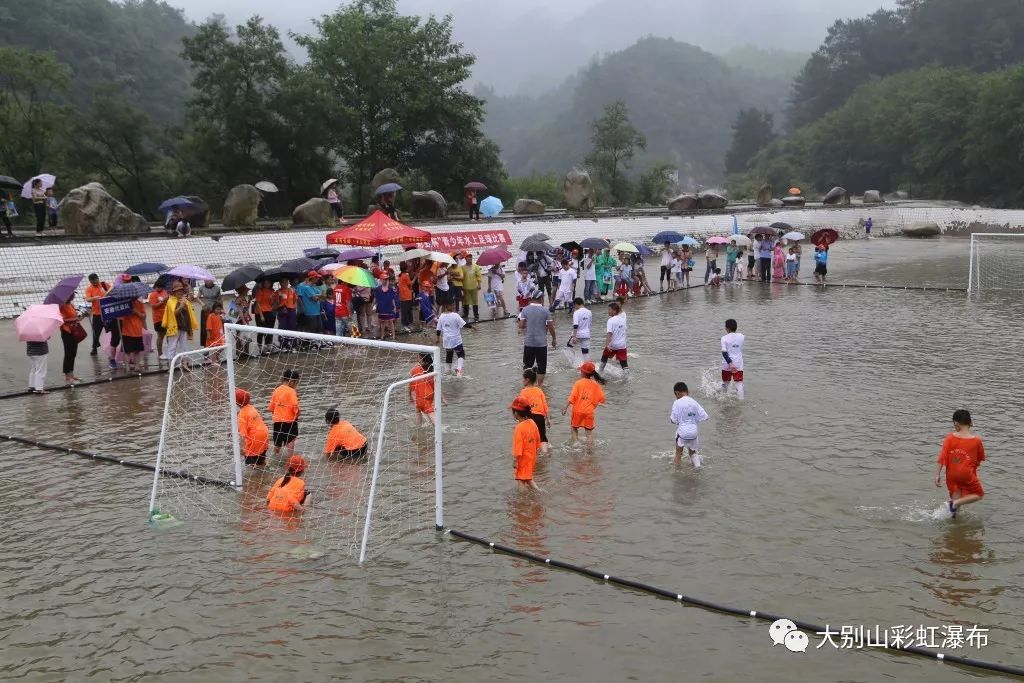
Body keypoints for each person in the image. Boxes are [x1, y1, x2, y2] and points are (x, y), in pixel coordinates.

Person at [934, 409, 986, 519]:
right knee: (979, 494)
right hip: (966, 474)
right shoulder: (976, 441)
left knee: (956, 499)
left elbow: (942, 456)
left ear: (956, 423)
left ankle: (953, 518)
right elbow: (979, 458)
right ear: (971, 423)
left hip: (951, 474)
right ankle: (953, 506)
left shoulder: (949, 438)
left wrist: (937, 474)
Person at [562, 361, 607, 446]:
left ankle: (576, 446)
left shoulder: (578, 383)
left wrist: (565, 407)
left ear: (583, 372)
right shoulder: (595, 384)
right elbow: (601, 399)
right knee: (589, 433)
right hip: (589, 412)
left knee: (574, 428)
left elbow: (572, 397)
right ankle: (590, 450)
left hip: (577, 411)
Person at [519, 288, 556, 387]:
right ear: (540, 298)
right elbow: (551, 326)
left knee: (527, 365)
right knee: (541, 366)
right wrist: (554, 339)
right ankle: (539, 386)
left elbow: (521, 325)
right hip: (541, 343)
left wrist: (530, 324)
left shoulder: (525, 309)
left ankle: (527, 385)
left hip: (529, 342)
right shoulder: (545, 311)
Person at [670, 381, 710, 468]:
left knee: (678, 454)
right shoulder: (694, 402)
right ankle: (698, 469)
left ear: (677, 393)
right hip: (694, 433)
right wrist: (693, 419)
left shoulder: (677, 403)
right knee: (693, 453)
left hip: (683, 433)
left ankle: (676, 474)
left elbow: (673, 420)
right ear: (688, 392)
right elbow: (705, 417)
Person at [509, 397, 541, 491]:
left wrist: (515, 461)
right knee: (527, 477)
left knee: (520, 479)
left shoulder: (519, 428)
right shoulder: (532, 422)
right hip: (532, 456)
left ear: (515, 413)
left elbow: (518, 447)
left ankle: (523, 501)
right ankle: (538, 492)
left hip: (523, 458)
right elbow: (538, 440)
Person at [161, 281, 198, 360]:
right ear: (174, 292)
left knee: (184, 346)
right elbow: (173, 314)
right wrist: (181, 306)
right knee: (172, 346)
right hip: (174, 327)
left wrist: (186, 304)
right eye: (177, 291)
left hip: (184, 327)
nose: (179, 292)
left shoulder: (185, 301)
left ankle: (185, 363)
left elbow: (190, 313)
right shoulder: (170, 302)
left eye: (181, 290)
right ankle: (171, 366)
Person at [518, 368, 551, 455]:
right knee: (543, 438)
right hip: (540, 417)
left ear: (527, 380)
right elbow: (545, 406)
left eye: (523, 379)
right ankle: (544, 454)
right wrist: (548, 419)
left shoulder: (523, 392)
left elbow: (522, 407)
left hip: (529, 418)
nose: (522, 380)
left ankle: (533, 454)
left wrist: (520, 420)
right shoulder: (539, 390)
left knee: (531, 438)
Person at [270, 369, 301, 457]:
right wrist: (298, 413)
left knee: (277, 443)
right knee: (290, 441)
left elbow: (271, 408)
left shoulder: (276, 390)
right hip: (290, 421)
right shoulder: (291, 391)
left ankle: (275, 455)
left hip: (277, 422)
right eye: (296, 383)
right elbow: (295, 405)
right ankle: (291, 458)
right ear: (291, 382)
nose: (296, 386)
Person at [236, 388, 269, 465]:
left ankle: (254, 476)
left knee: (250, 466)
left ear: (237, 403)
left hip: (255, 438)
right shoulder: (252, 407)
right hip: (264, 434)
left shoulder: (241, 414)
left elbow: (242, 435)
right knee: (261, 460)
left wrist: (242, 449)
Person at [436, 302, 468, 376]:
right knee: (461, 354)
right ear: (449, 306)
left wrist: (437, 339)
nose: (454, 306)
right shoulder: (455, 315)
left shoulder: (441, 316)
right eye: (452, 305)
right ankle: (459, 369)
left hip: (447, 340)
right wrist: (472, 327)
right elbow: (464, 324)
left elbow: (438, 329)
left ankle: (447, 372)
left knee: (449, 355)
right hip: (456, 340)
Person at [409, 353, 442, 426]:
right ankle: (420, 427)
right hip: (429, 396)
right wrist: (442, 399)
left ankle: (440, 431)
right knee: (419, 411)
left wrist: (410, 397)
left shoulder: (415, 370)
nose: (417, 360)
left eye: (419, 359)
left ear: (424, 362)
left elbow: (411, 385)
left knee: (433, 418)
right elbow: (435, 387)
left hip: (422, 397)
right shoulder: (431, 371)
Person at [599, 301, 629, 377]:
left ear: (615, 311)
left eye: (609, 310)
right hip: (622, 345)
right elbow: (624, 332)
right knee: (624, 363)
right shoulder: (623, 320)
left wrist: (607, 345)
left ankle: (600, 372)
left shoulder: (610, 320)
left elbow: (609, 334)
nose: (608, 312)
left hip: (613, 345)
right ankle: (627, 378)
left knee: (604, 357)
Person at [59, 294, 83, 385]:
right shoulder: (61, 306)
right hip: (66, 332)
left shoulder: (71, 304)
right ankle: (67, 376)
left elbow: (74, 317)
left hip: (74, 330)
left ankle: (71, 374)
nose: (73, 296)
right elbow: (62, 320)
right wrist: (74, 319)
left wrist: (79, 317)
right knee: (68, 353)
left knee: (73, 353)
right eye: (72, 295)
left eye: (73, 295)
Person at [84, 273, 110, 356]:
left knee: (109, 331)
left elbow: (112, 292)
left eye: (95, 281)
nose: (94, 283)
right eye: (92, 282)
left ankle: (111, 347)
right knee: (96, 333)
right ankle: (94, 348)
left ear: (98, 279)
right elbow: (88, 299)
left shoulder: (104, 285)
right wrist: (95, 298)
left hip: (107, 312)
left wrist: (106, 295)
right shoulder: (89, 288)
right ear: (90, 281)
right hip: (96, 314)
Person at [120, 293, 147, 371]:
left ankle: (137, 366)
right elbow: (120, 318)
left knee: (137, 351)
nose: (135, 297)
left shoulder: (140, 304)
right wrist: (127, 312)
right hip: (126, 331)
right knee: (127, 351)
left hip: (137, 331)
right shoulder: (124, 305)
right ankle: (127, 366)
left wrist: (136, 312)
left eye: (136, 295)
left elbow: (144, 316)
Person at [721, 318, 745, 399]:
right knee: (739, 384)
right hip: (738, 364)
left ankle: (722, 399)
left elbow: (724, 353)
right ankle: (741, 401)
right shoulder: (742, 336)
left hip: (727, 364)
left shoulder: (724, 338)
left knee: (725, 383)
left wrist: (730, 363)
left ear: (727, 328)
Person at [374, 274, 399, 340]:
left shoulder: (391, 289)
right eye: (384, 279)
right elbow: (376, 298)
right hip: (381, 308)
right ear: (381, 280)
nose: (385, 281)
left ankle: (393, 336)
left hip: (389, 307)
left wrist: (395, 307)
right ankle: (382, 336)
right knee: (382, 323)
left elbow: (393, 298)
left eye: (386, 279)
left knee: (391, 322)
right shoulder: (377, 289)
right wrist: (373, 305)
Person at [568, 297, 592, 363]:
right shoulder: (589, 312)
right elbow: (590, 324)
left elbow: (575, 325)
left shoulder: (576, 312)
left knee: (569, 346)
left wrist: (574, 336)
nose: (574, 307)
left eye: (574, 305)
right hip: (586, 334)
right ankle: (588, 365)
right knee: (585, 352)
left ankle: (573, 362)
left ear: (576, 304)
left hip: (578, 334)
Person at [149, 281, 169, 359]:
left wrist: (167, 299)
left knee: (169, 335)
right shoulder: (153, 294)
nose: (159, 289)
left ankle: (170, 351)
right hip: (158, 318)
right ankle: (160, 354)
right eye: (158, 287)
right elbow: (154, 306)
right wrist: (163, 301)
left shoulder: (165, 292)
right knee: (160, 336)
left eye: (161, 287)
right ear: (155, 287)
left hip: (167, 316)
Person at [198, 279, 221, 346]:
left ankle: (214, 343)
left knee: (214, 328)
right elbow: (197, 298)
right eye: (205, 280)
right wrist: (203, 304)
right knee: (205, 329)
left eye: (208, 280)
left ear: (212, 280)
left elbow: (219, 299)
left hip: (214, 310)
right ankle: (205, 345)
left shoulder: (217, 288)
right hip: (205, 311)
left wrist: (221, 309)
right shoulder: (202, 287)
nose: (206, 281)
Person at [460, 254, 483, 322]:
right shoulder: (462, 267)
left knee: (475, 301)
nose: (470, 259)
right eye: (468, 258)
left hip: (474, 287)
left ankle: (476, 315)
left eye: (471, 258)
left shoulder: (476, 266)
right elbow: (461, 278)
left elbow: (478, 276)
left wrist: (479, 284)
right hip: (465, 287)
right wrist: (461, 286)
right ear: (465, 259)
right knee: (465, 301)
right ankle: (465, 314)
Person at [276, 279, 299, 348]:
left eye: (286, 282)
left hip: (291, 310)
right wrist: (279, 298)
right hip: (282, 311)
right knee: (283, 327)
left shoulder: (292, 290)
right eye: (283, 282)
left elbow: (295, 300)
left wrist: (294, 308)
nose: (285, 283)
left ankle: (293, 344)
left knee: (293, 327)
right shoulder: (278, 292)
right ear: (280, 283)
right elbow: (274, 303)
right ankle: (283, 344)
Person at [397, 263, 415, 332]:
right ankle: (406, 324)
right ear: (406, 268)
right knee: (408, 311)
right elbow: (411, 283)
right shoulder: (405, 276)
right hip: (407, 296)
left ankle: (406, 324)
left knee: (405, 311)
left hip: (403, 296)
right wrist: (415, 277)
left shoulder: (400, 275)